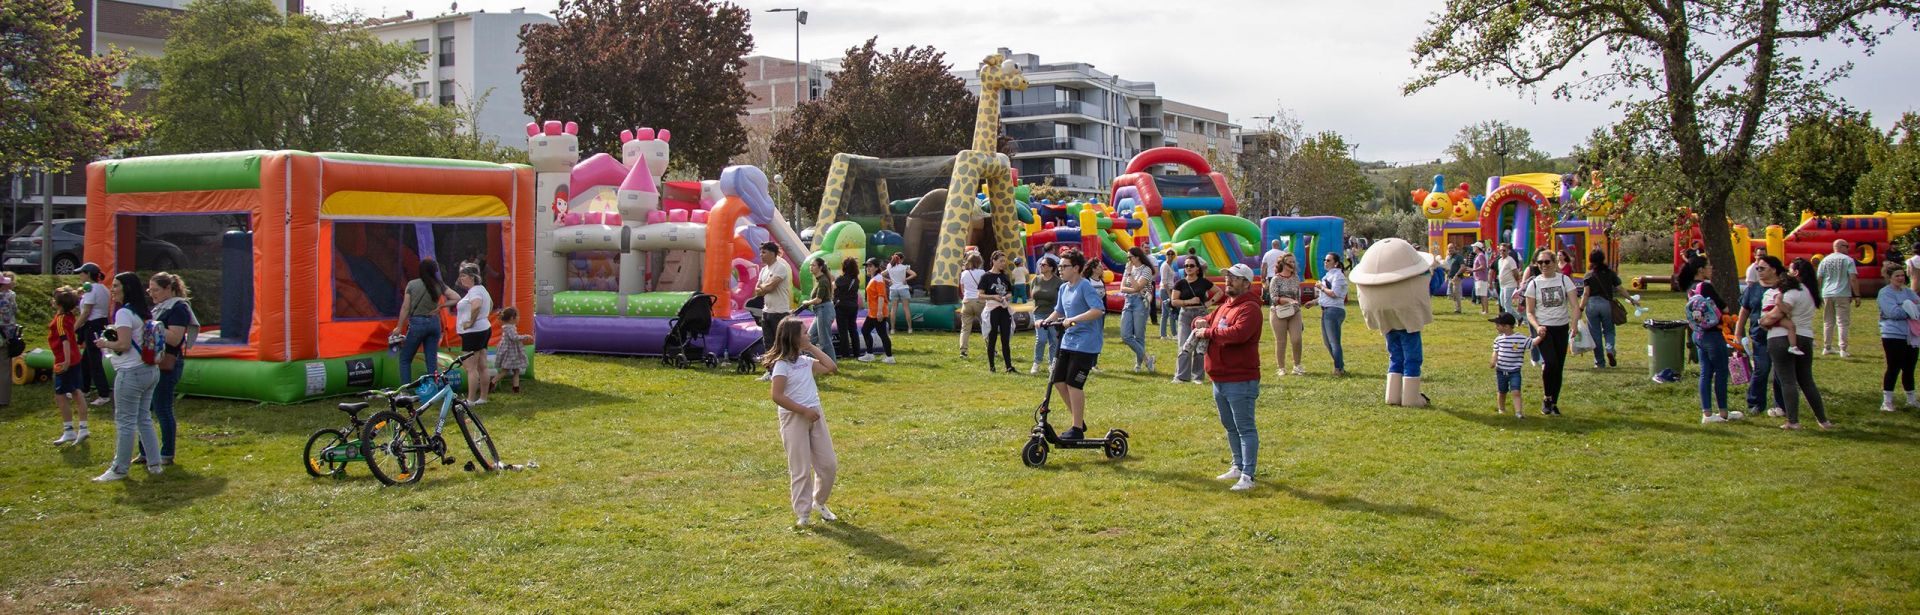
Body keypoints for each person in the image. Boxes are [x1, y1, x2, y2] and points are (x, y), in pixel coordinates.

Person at [762, 318, 840, 527]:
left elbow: (831, 367)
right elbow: (777, 396)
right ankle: (803, 514)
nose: (808, 335)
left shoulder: (805, 361)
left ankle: (819, 502)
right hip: (794, 417)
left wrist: (811, 347)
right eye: (805, 333)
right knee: (801, 468)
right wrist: (803, 411)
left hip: (815, 414)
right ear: (793, 338)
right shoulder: (781, 365)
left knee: (829, 464)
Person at [1194, 263, 1263, 492]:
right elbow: (1205, 319)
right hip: (1219, 377)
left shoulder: (1251, 308)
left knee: (1245, 427)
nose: (1228, 281)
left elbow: (1238, 334)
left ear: (1246, 283)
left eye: (1234, 278)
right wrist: (1200, 322)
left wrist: (1208, 331)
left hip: (1240, 378)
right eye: (1228, 277)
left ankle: (1248, 475)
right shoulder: (1226, 305)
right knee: (1230, 426)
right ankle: (1237, 464)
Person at [93, 272, 161, 482]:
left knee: (125, 422)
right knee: (144, 418)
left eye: (116, 286)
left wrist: (104, 344)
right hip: (150, 371)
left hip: (131, 373)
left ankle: (119, 469)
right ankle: (155, 464)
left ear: (126, 289)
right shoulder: (143, 312)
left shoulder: (123, 313)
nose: (112, 290)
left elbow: (122, 344)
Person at [1352, 238, 1436, 407]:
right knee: (1412, 357)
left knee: (1395, 356)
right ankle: (1411, 398)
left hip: (1387, 321)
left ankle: (1393, 396)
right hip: (1407, 320)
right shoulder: (1417, 278)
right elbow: (1432, 285)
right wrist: (1436, 270)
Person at [1039, 250, 1104, 439]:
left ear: (1076, 268)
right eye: (1059, 266)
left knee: (1074, 384)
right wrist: (1044, 321)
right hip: (1068, 341)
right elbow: (1058, 311)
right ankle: (1079, 420)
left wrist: (1073, 319)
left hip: (1086, 343)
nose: (1060, 270)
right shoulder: (1063, 288)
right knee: (1058, 381)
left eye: (1064, 266)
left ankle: (1076, 429)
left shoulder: (1085, 286)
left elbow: (1098, 310)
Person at [1760, 256, 1830, 429]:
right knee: (1807, 380)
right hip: (1806, 336)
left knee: (1788, 380)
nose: (1787, 273)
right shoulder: (1809, 292)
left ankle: (1793, 420)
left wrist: (1763, 321)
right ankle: (1823, 420)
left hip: (1781, 337)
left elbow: (1776, 314)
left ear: (1796, 272)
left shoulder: (1792, 291)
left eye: (1790, 270)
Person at [140, 272, 198, 466]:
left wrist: (152, 326)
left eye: (156, 290)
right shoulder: (158, 308)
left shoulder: (178, 307)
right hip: (152, 361)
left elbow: (175, 338)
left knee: (162, 407)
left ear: (169, 289)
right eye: (150, 290)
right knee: (145, 408)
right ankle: (145, 451)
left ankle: (166, 453)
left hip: (168, 362)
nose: (152, 294)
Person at [1525, 249, 1577, 415]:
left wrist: (1574, 324)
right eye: (1540, 263)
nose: (1544, 265)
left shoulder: (1564, 280)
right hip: (1543, 329)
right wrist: (1537, 326)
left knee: (1559, 367)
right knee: (1551, 362)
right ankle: (1547, 397)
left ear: (1554, 263)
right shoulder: (1534, 283)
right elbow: (1529, 312)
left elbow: (1575, 306)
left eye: (1547, 262)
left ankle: (1553, 403)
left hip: (1561, 327)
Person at [397, 259, 460, 387]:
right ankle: (434, 389)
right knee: (431, 360)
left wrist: (398, 327)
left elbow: (405, 307)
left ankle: (405, 390)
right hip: (434, 324)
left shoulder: (412, 284)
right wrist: (441, 306)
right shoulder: (438, 284)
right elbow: (456, 297)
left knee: (405, 358)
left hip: (417, 323)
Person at [1735, 264, 1787, 418]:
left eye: (1762, 268)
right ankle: (1756, 404)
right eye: (1757, 268)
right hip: (1760, 336)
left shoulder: (1784, 289)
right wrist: (1738, 332)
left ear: (1774, 269)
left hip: (1780, 335)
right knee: (1762, 369)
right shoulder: (1753, 289)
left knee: (1780, 371)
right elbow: (1744, 311)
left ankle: (1782, 405)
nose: (1758, 271)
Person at [1687, 278, 1740, 423]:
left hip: (1698, 334)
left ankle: (1707, 413)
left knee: (1705, 373)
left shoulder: (1692, 290)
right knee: (1721, 372)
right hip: (1713, 336)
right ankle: (1723, 412)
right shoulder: (1706, 287)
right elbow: (1725, 309)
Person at [1574, 249, 1636, 368]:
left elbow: (1586, 294)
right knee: (1609, 330)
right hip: (1606, 304)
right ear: (1603, 259)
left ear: (1591, 260)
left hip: (1592, 305)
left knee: (1595, 334)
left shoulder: (1588, 275)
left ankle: (1599, 362)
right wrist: (1631, 299)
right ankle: (1610, 349)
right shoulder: (1610, 273)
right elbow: (1620, 288)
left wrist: (1581, 309)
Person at [48, 287, 88, 445]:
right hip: (75, 358)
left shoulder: (60, 320)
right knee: (76, 391)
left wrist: (65, 361)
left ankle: (69, 430)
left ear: (58, 304)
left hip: (64, 360)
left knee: (60, 395)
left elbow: (64, 340)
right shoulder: (70, 316)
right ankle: (83, 428)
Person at [1877, 263, 1919, 411]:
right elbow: (1893, 313)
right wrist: (1909, 309)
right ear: (1889, 277)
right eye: (1897, 276)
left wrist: (1910, 307)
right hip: (1892, 334)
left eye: (1902, 275)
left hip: (1911, 335)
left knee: (1909, 367)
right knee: (1893, 367)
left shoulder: (1908, 292)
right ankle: (1887, 401)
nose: (1901, 278)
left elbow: (1918, 307)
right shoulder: (1885, 293)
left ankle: (1911, 399)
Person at [1170, 253, 1216, 384]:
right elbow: (1174, 301)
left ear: (1197, 268)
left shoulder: (1203, 282)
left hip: (1201, 314)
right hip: (1185, 315)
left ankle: (1198, 377)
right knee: (1183, 345)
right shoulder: (1180, 283)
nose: (1188, 268)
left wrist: (1209, 302)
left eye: (1191, 265)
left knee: (1199, 347)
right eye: (1186, 266)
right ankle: (1181, 376)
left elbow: (1219, 292)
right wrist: (1188, 301)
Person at [454, 264, 492, 405]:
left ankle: (470, 399)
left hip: (473, 332)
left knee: (470, 367)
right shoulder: (481, 290)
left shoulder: (475, 291)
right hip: (483, 329)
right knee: (482, 365)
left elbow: (476, 305)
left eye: (463, 276)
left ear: (471, 277)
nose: (461, 279)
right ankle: (483, 397)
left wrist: (470, 322)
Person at [76, 262, 112, 407]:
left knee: (94, 361)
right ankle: (84, 388)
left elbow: (86, 312)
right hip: (100, 323)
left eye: (82, 273)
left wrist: (74, 327)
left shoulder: (91, 290)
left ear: (88, 274)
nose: (80, 275)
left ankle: (103, 394)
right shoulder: (103, 288)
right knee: (86, 360)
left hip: (93, 326)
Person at [1816, 239, 1860, 356]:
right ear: (1841, 246)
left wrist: (1818, 293)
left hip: (1827, 294)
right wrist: (1857, 295)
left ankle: (1827, 347)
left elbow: (1819, 278)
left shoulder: (1825, 260)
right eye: (1847, 246)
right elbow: (1853, 278)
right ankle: (1843, 349)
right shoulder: (1848, 260)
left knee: (1828, 322)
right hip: (1842, 293)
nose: (1848, 249)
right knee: (1842, 322)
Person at [1489, 312, 1535, 418]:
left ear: (1507, 326)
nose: (1496, 327)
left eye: (1498, 325)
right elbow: (1495, 351)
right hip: (1500, 370)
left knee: (1516, 391)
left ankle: (1518, 412)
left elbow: (1532, 343)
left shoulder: (1520, 338)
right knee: (1501, 391)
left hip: (1514, 371)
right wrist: (1493, 361)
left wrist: (1541, 336)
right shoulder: (1498, 339)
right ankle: (1501, 409)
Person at [1266, 252, 1305, 376]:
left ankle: (1297, 366)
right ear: (1283, 264)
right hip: (1278, 312)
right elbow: (1273, 298)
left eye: (1294, 262)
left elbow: (1297, 296)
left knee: (1297, 339)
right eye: (1290, 262)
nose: (1293, 264)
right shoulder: (1276, 279)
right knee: (1281, 341)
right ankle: (1281, 368)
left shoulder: (1295, 278)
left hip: (1294, 312)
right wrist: (1287, 300)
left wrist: (1297, 305)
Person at [1117, 247, 1155, 372]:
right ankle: (1147, 358)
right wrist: (1134, 289)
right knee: (1125, 335)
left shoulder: (1146, 269)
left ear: (1137, 257)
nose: (1128, 260)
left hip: (1140, 302)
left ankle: (1138, 365)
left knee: (1139, 336)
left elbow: (1138, 285)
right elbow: (1122, 288)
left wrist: (1130, 275)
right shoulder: (1128, 268)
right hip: (1128, 301)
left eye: (1130, 257)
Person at [1315, 252, 1349, 376]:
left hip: (1334, 311)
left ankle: (1338, 368)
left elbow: (1334, 293)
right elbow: (1324, 297)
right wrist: (1313, 302)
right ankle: (1339, 366)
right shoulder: (1327, 276)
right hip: (1326, 310)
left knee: (1334, 342)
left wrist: (1321, 287)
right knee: (1327, 342)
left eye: (1328, 260)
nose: (1325, 262)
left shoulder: (1338, 276)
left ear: (1335, 263)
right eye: (1324, 259)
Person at [981, 251, 1015, 373]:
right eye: (1001, 261)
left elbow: (1010, 292)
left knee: (1005, 339)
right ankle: (992, 367)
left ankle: (1009, 366)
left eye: (1004, 261)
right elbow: (980, 295)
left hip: (1004, 309)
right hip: (992, 310)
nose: (1003, 264)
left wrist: (1006, 297)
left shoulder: (1005, 276)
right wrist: (993, 297)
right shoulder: (986, 276)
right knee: (992, 338)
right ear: (993, 261)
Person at [1028, 258, 1064, 374]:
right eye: (1040, 264)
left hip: (1053, 313)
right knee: (1041, 339)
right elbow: (1032, 295)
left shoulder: (1058, 282)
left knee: (1053, 339)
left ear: (1051, 268)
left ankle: (1052, 364)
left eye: (1043, 265)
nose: (1041, 266)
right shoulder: (1035, 280)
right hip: (1039, 312)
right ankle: (1036, 363)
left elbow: (1062, 298)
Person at [858, 258, 895, 364]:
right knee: (865, 330)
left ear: (876, 268)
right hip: (873, 312)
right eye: (867, 266)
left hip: (878, 312)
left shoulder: (878, 279)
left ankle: (889, 357)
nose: (867, 268)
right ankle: (870, 354)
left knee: (882, 334)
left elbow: (881, 296)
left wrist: (879, 312)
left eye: (870, 266)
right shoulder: (875, 278)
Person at [800, 258, 835, 353]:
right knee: (810, 338)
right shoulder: (820, 279)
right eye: (810, 265)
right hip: (820, 311)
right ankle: (811, 363)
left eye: (813, 265)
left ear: (820, 267)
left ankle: (831, 365)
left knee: (825, 342)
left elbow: (818, 300)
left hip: (824, 310)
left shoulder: (823, 280)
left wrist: (807, 302)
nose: (811, 267)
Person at [492, 307, 529, 393]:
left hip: (512, 352)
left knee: (516, 370)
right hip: (510, 352)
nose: (519, 318)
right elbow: (514, 338)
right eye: (518, 316)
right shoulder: (509, 328)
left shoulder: (510, 327)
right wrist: (525, 337)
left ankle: (516, 388)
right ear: (512, 318)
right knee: (505, 370)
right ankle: (492, 383)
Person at [832, 258, 863, 359]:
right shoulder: (856, 280)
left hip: (842, 307)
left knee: (843, 331)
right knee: (853, 330)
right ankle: (857, 353)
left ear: (844, 267)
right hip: (853, 307)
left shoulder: (841, 279)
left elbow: (832, 288)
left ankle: (845, 354)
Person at [957, 252, 986, 357]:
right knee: (986, 326)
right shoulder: (982, 272)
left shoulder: (964, 273)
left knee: (965, 328)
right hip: (979, 301)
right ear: (979, 262)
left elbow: (962, 289)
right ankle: (991, 349)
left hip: (967, 301)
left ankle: (963, 351)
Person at [885, 254, 916, 334]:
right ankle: (909, 329)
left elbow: (881, 275)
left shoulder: (889, 266)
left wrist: (889, 281)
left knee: (893, 309)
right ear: (900, 260)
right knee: (906, 308)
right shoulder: (904, 267)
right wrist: (906, 279)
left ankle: (892, 329)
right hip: (903, 288)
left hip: (893, 289)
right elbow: (914, 274)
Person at [1158, 249, 1178, 339]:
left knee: (1165, 314)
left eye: (1172, 254)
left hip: (1169, 289)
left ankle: (1163, 335)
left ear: (1174, 255)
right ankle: (1174, 334)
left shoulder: (1171, 265)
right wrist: (1170, 295)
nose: (1170, 255)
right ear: (1165, 255)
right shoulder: (1165, 266)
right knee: (1172, 311)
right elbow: (1164, 281)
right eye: (1168, 254)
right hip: (1165, 290)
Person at [1496, 243, 1522, 316]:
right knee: (1502, 303)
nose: (1502, 252)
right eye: (1500, 250)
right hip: (1502, 285)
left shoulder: (1510, 260)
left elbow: (1515, 272)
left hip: (1510, 285)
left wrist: (1517, 282)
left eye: (1504, 250)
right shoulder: (1500, 260)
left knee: (1507, 304)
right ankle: (1519, 318)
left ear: (1508, 251)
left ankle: (1509, 322)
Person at [1471, 244, 1492, 314]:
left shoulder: (1480, 256)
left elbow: (1483, 266)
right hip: (1478, 278)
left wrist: (1473, 270)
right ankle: (1484, 310)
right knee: (1481, 295)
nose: (1473, 248)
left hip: (1481, 278)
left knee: (1483, 295)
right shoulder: (1479, 255)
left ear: (1477, 248)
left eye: (1474, 247)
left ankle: (1486, 310)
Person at [1445, 246, 1467, 314]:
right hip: (1450, 278)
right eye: (1449, 248)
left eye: (1452, 248)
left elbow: (1463, 267)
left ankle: (1458, 310)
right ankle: (1456, 308)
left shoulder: (1459, 257)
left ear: (1455, 249)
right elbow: (1447, 268)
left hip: (1457, 278)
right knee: (1452, 294)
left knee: (1456, 293)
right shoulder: (1448, 258)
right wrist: (1446, 276)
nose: (1450, 249)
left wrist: (1457, 275)